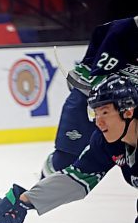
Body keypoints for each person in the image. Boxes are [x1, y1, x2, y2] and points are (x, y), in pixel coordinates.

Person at [0, 75, 138, 223]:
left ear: (128, 111)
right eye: (95, 113)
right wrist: (25, 200)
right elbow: (76, 178)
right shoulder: (106, 142)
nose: (98, 121)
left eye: (105, 112)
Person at [41, 16, 138, 178]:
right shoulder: (120, 32)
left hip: (125, 115)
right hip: (90, 101)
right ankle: (29, 197)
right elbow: (85, 80)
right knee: (64, 161)